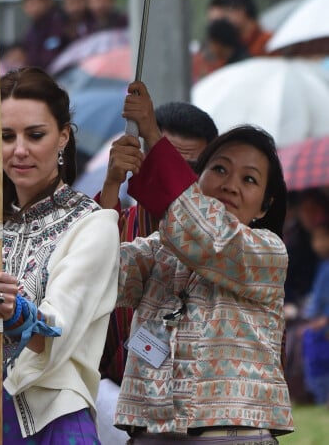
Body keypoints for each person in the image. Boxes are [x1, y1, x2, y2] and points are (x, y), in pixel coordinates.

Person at [0, 66, 120, 443]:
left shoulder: (92, 224)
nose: (19, 150)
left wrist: (15, 309)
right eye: (6, 137)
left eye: (35, 135)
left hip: (52, 423)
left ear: (63, 137)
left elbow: (57, 332)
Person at [114, 81, 293, 441]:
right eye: (220, 169)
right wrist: (110, 185)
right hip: (151, 433)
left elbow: (209, 238)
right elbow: (100, 275)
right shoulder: (158, 248)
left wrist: (151, 132)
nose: (231, 185)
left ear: (265, 206)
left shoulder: (269, 252)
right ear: (197, 179)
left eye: (250, 179)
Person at [95, 100, 218, 444]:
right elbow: (89, 265)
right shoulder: (113, 222)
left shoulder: (221, 241)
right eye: (159, 161)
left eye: (187, 168)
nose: (171, 176)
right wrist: (111, 183)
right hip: (111, 408)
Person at [299, 215, 329, 405]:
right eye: (314, 239)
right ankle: (320, 398)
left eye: (322, 238)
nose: (317, 244)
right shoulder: (322, 266)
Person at [21, 0, 69, 70]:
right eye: (29, 3)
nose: (33, 8)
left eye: (35, 2)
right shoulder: (32, 30)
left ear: (48, 1)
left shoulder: (61, 23)